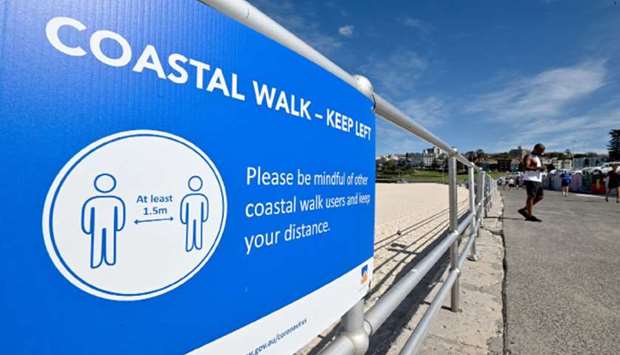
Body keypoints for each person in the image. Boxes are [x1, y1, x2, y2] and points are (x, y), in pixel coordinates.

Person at [518, 143, 546, 222]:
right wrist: (539, 168)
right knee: (531, 197)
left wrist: (542, 168)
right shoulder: (529, 156)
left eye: (542, 151)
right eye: (540, 151)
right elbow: (526, 167)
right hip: (531, 179)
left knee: (540, 197)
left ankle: (524, 209)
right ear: (535, 149)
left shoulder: (538, 157)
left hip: (538, 179)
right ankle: (529, 216)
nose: (541, 153)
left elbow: (538, 168)